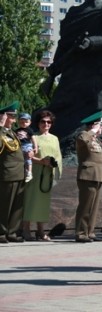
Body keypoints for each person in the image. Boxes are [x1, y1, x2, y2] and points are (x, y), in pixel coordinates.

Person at [22, 110, 62, 241]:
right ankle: (26, 229)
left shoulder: (54, 138)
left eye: (49, 122)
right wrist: (40, 161)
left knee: (43, 203)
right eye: (43, 121)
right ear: (38, 123)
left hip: (48, 174)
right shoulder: (33, 137)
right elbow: (27, 156)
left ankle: (40, 230)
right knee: (30, 201)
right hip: (35, 173)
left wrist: (54, 166)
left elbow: (58, 157)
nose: (46, 124)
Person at [74, 111, 102, 243]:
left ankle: (90, 231)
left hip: (98, 175)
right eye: (100, 124)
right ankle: (81, 233)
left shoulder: (97, 140)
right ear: (94, 125)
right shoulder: (84, 135)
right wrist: (93, 130)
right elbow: (82, 140)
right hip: (88, 175)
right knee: (86, 205)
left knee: (94, 206)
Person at [0, 102, 26, 243]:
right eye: (11, 116)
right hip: (7, 174)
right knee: (5, 205)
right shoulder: (1, 131)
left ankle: (12, 232)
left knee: (17, 206)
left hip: (19, 173)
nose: (14, 119)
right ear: (3, 116)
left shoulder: (12, 133)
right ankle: (1, 233)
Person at [15, 113, 37, 183]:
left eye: (26, 122)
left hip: (27, 145)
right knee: (21, 160)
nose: (24, 123)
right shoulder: (17, 130)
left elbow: (33, 139)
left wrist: (35, 147)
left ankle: (29, 173)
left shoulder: (29, 130)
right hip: (20, 146)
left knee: (28, 159)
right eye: (22, 122)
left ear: (30, 122)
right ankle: (25, 171)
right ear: (18, 122)